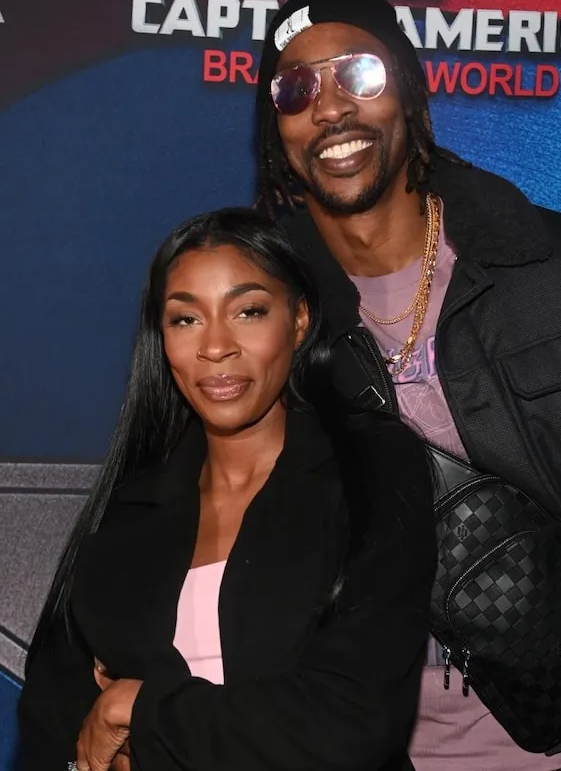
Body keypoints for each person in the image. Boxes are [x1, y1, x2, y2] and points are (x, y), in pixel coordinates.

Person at [252, 0, 561, 771]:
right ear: (277, 134)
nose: (332, 108)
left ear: (410, 97)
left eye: (361, 77)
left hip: (559, 740)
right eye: (296, 88)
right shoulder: (257, 314)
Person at [17, 209, 436, 771]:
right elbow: (52, 721)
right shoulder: (129, 505)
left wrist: (136, 705)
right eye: (185, 319)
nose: (215, 346)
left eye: (249, 311)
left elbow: (348, 722)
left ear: (300, 319)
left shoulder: (371, 469)